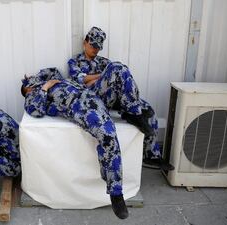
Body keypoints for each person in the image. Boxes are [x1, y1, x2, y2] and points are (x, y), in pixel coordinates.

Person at [21, 67, 129, 219]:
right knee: (108, 135)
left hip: (93, 95)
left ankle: (134, 112)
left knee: (118, 68)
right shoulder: (34, 95)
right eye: (30, 83)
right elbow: (35, 110)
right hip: (80, 108)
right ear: (28, 90)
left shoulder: (54, 79)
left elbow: (52, 71)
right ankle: (116, 192)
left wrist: (41, 78)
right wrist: (44, 87)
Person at [68, 26, 173, 170]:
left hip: (112, 97)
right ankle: (132, 112)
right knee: (117, 67)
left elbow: (117, 80)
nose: (95, 50)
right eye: (93, 45)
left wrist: (101, 78)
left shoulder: (104, 62)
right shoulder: (74, 62)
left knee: (148, 109)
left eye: (98, 47)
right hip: (92, 98)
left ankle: (150, 155)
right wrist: (103, 76)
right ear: (85, 42)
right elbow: (82, 80)